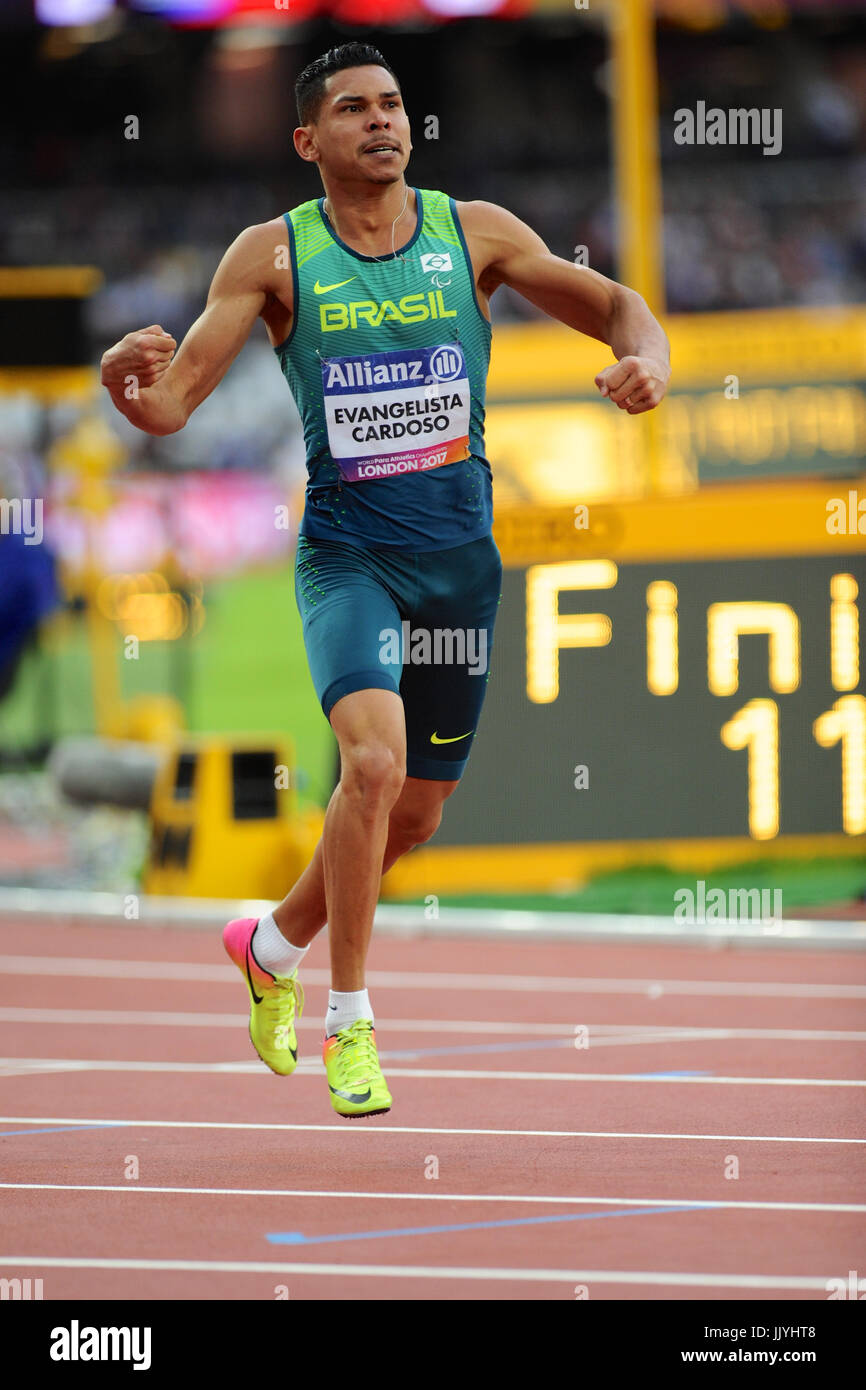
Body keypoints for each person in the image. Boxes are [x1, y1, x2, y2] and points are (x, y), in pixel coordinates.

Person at [101, 41, 671, 1119]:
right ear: (307, 140)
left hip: (458, 567)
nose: (382, 122)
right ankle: (348, 1023)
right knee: (371, 765)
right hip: (348, 557)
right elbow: (170, 405)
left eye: (395, 104)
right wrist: (118, 384)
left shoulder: (476, 234)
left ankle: (269, 944)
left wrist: (652, 360)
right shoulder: (271, 257)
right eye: (354, 109)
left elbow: (620, 307)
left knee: (414, 814)